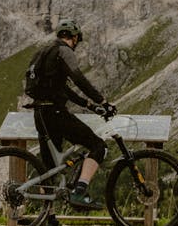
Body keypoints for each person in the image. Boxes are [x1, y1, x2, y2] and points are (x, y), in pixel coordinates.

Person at [25, 18, 116, 211]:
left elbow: (64, 89)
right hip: (56, 113)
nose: (76, 43)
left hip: (40, 113)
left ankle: (47, 217)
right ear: (73, 37)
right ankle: (80, 192)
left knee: (48, 169)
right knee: (98, 146)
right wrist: (102, 102)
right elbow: (78, 79)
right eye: (77, 40)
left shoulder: (43, 52)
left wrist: (89, 105)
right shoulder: (64, 51)